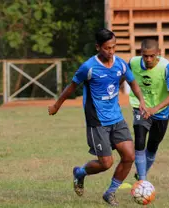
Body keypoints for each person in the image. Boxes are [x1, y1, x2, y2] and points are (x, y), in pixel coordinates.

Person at [48, 28, 146, 206]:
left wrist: (142, 101)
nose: (111, 51)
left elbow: (132, 82)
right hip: (97, 121)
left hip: (116, 118)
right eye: (107, 48)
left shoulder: (121, 64)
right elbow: (71, 87)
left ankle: (110, 193)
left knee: (129, 156)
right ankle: (80, 172)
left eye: (114, 47)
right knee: (106, 163)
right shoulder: (88, 67)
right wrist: (56, 105)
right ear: (98, 47)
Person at [128, 39, 169, 181]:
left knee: (152, 146)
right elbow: (123, 78)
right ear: (141, 53)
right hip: (141, 108)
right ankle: (143, 181)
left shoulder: (167, 67)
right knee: (139, 141)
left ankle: (140, 175)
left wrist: (154, 109)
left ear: (159, 53)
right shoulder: (133, 63)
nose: (149, 59)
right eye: (145, 56)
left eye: (152, 56)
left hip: (161, 112)